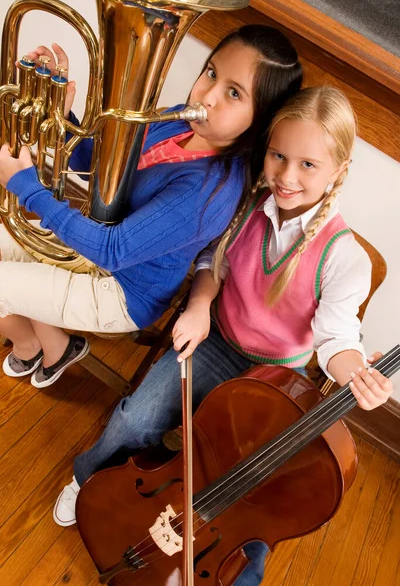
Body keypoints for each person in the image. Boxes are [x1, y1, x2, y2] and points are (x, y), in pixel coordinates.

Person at [52, 86, 393, 585]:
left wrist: (358, 375)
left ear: (339, 171)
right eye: (279, 156)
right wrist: (199, 303)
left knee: (249, 496)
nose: (287, 176)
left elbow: (336, 339)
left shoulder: (346, 258)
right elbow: (215, 259)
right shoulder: (249, 199)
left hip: (273, 382)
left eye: (308, 165)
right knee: (136, 419)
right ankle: (88, 479)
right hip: (217, 341)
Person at [0, 26, 303, 389]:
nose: (207, 96)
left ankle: (32, 344)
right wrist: (63, 117)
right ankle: (47, 346)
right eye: (211, 72)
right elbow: (99, 166)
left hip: (120, 289)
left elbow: (113, 252)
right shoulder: (178, 121)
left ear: (261, 120)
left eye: (234, 93)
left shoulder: (210, 191)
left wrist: (28, 190)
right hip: (93, 243)